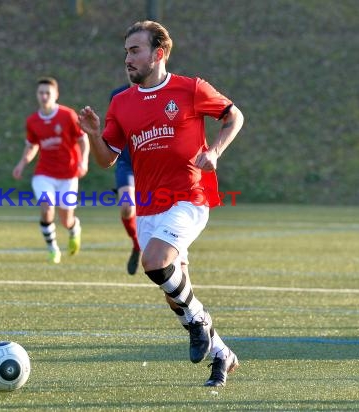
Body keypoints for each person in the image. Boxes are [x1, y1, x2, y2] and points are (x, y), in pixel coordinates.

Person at [79, 21, 244, 387]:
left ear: (159, 53)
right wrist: (93, 135)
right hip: (149, 206)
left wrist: (215, 151)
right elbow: (107, 158)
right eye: (125, 52)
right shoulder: (121, 103)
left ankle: (199, 323)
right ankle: (222, 354)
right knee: (176, 294)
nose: (127, 58)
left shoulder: (190, 89)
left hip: (190, 196)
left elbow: (235, 116)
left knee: (154, 262)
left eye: (135, 50)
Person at [13, 76, 89, 264]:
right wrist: (22, 163)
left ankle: (74, 228)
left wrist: (84, 161)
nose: (44, 96)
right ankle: (52, 248)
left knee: (65, 219)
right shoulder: (32, 121)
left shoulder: (67, 115)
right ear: (37, 95)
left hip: (68, 174)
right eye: (41, 93)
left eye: (48, 93)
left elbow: (82, 139)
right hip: (44, 174)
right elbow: (32, 145)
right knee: (47, 208)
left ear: (56, 95)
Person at [109, 83, 141, 275]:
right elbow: (113, 129)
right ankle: (137, 245)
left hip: (153, 164)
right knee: (127, 206)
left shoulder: (161, 92)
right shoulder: (117, 95)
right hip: (127, 163)